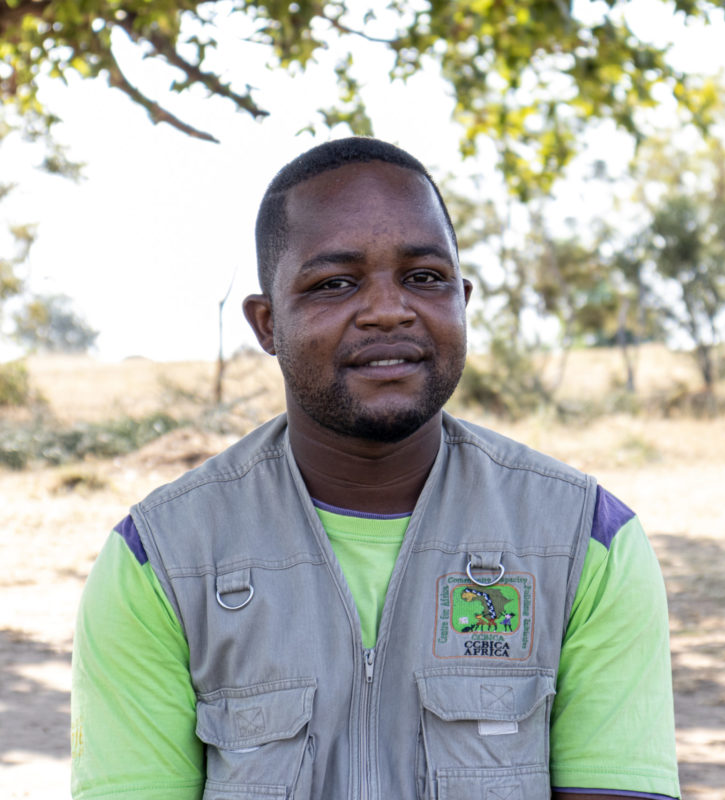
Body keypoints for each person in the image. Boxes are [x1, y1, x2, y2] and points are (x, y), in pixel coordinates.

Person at [70, 137, 680, 800]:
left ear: (462, 299)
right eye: (335, 283)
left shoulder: (585, 542)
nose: (389, 310)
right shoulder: (160, 559)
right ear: (268, 323)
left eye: (424, 277)